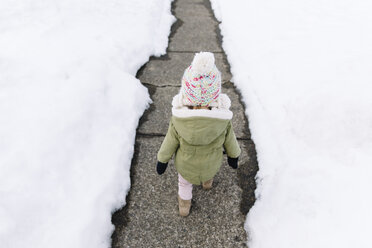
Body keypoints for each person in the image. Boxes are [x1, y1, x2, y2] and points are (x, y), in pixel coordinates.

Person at [156, 52, 241, 217]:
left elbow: (169, 142)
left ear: (187, 93)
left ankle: (184, 207)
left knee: (184, 184)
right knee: (208, 172)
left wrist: (162, 160)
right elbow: (231, 142)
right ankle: (207, 183)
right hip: (211, 164)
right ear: (215, 94)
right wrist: (234, 157)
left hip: (186, 166)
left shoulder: (179, 120)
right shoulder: (222, 120)